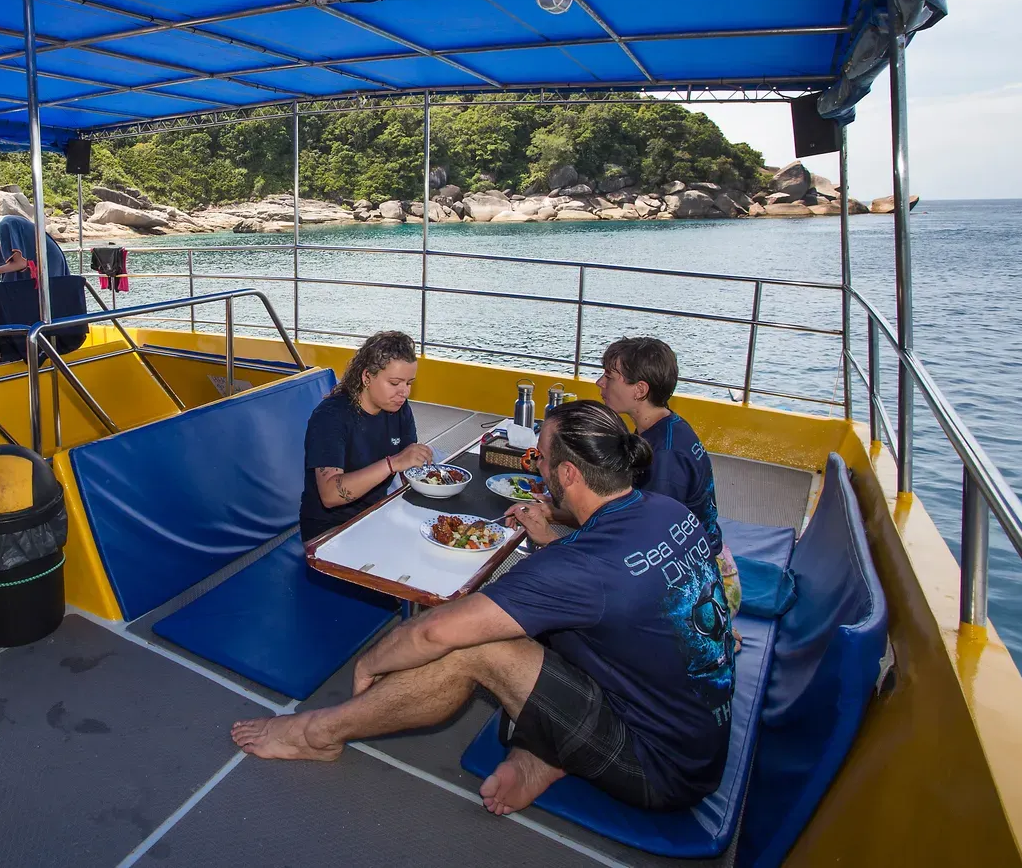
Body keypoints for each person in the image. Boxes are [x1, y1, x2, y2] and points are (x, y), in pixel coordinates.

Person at [234, 400, 736, 815]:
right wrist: (547, 541)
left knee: (473, 646)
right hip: (695, 733)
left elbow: (433, 634)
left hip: (661, 767)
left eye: (538, 458)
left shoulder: (579, 569)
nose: (534, 465)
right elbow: (619, 592)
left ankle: (319, 733)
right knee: (522, 625)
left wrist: (370, 662)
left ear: (567, 473)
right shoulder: (666, 511)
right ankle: (546, 753)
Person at [596, 337, 741, 617]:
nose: (600, 383)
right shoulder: (663, 427)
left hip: (705, 592)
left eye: (609, 377)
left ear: (639, 390)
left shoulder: (663, 456)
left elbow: (657, 548)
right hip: (701, 565)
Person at [299, 331, 434, 542]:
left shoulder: (399, 409)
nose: (404, 392)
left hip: (377, 516)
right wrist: (393, 463)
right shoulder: (331, 416)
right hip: (329, 532)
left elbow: (407, 469)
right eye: (395, 383)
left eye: (409, 383)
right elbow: (330, 495)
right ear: (367, 377)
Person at [0, 204, 70, 284]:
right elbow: (11, 264)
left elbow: (20, 263)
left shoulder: (4, 225)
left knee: (50, 297)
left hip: (48, 260)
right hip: (36, 262)